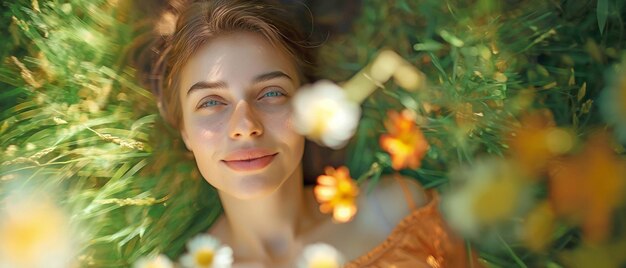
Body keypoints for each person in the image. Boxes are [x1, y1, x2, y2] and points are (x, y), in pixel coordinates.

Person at [149, 0, 478, 266]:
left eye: (271, 93)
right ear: (185, 131)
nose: (245, 127)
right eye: (211, 102)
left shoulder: (396, 213)